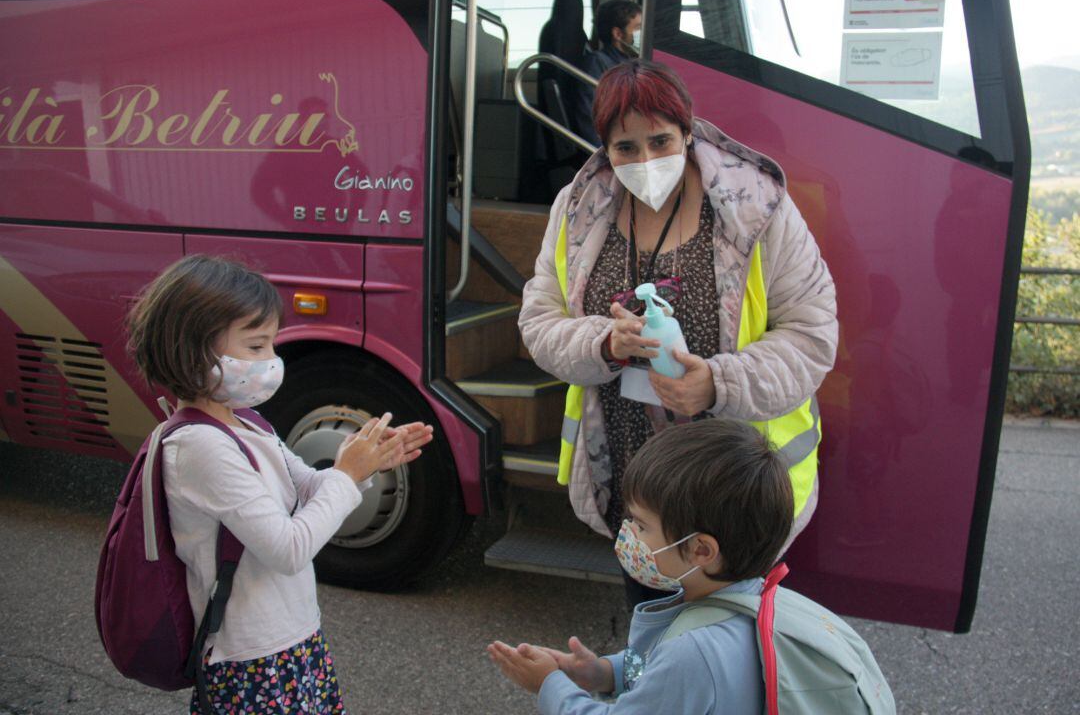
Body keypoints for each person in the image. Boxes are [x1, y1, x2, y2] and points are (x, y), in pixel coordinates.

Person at [518, 60, 837, 605]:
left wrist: (717, 384)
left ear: (689, 133)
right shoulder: (579, 210)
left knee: (725, 660)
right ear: (605, 150)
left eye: (661, 141)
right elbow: (539, 321)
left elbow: (811, 335)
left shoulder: (755, 210)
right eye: (626, 148)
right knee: (650, 646)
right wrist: (603, 344)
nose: (645, 161)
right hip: (635, 493)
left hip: (730, 494)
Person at [125, 254, 434, 714]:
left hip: (292, 639)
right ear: (193, 351)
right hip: (251, 658)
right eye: (255, 347)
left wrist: (366, 463)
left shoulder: (244, 422)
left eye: (271, 345)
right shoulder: (199, 447)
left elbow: (308, 489)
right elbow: (288, 548)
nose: (271, 361)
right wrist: (348, 475)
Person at [486, 418, 797, 713]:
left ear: (701, 549)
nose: (628, 532)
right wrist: (605, 673)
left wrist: (548, 684)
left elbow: (677, 671)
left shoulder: (692, 655)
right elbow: (663, 674)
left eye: (641, 525)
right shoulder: (752, 601)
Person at [573, 0, 642, 145]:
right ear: (618, 34)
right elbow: (591, 119)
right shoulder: (598, 64)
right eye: (638, 28)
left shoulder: (634, 64)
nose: (642, 34)